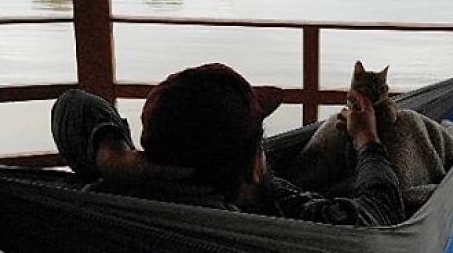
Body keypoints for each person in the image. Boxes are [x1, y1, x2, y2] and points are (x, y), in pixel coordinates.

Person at [51, 62, 404, 226]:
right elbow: (380, 214)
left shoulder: (115, 201)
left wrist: (120, 161)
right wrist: (366, 138)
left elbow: (74, 105)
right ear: (255, 166)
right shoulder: (280, 220)